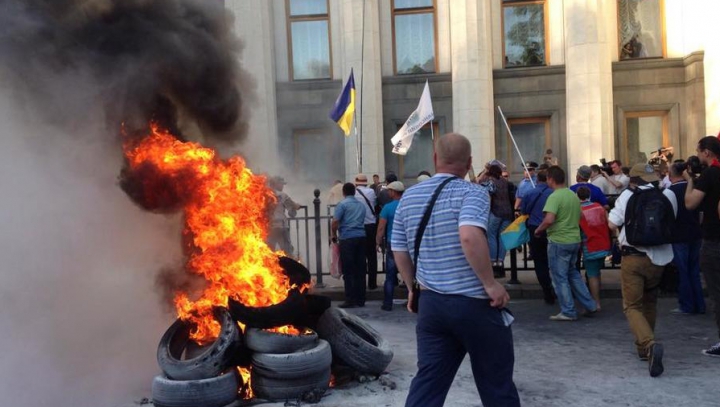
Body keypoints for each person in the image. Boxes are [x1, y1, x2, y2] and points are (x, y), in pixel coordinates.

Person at [392, 133, 519, 407]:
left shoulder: (409, 196)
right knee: (496, 386)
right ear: (470, 162)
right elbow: (469, 236)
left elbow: (398, 248)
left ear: (435, 159)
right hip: (474, 304)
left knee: (428, 383)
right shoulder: (473, 192)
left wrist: (411, 287)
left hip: (432, 305)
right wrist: (490, 284)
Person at [608, 163, 677, 376]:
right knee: (650, 301)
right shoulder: (668, 194)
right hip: (661, 258)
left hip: (634, 257)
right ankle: (644, 349)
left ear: (634, 180)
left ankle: (648, 344)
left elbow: (612, 222)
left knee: (631, 305)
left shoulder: (628, 196)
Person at [534, 166, 598, 321]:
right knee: (573, 274)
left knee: (559, 277)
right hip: (574, 239)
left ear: (550, 178)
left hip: (559, 240)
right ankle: (590, 305)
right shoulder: (572, 195)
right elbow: (581, 216)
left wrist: (538, 230)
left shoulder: (554, 197)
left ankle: (568, 311)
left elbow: (549, 219)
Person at [683, 135, 720, 357]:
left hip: (714, 241)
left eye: (698, 151)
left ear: (706, 152)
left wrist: (690, 181)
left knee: (717, 293)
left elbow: (690, 203)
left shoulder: (710, 174)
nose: (697, 155)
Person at [667, 161, 705, 315]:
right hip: (695, 233)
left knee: (683, 271)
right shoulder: (695, 189)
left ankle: (687, 305)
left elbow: (669, 216)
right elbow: (701, 213)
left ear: (671, 175)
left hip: (679, 235)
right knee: (694, 271)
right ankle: (699, 304)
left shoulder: (670, 192)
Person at [520, 169, 555, 304]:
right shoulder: (553, 193)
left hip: (535, 229)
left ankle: (547, 290)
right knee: (554, 260)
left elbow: (524, 210)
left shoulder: (530, 193)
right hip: (552, 229)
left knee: (539, 261)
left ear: (537, 179)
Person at [331, 183, 367, 308]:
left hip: (347, 238)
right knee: (361, 269)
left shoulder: (342, 205)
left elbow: (335, 222)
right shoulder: (361, 206)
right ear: (354, 192)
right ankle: (361, 299)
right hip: (361, 237)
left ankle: (350, 299)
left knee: (348, 269)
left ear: (343, 192)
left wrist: (333, 234)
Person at [577, 186, 611, 311]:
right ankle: (597, 298)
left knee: (592, 275)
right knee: (597, 272)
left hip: (589, 245)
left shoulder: (579, 210)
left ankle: (596, 302)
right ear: (589, 195)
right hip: (603, 243)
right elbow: (608, 223)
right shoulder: (599, 207)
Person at [478, 163, 513, 277]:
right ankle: (501, 262)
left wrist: (484, 172)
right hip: (507, 213)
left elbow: (480, 185)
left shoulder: (491, 182)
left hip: (495, 212)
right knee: (502, 238)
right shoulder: (505, 182)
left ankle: (493, 263)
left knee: (491, 236)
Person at [375, 181, 404, 311]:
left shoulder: (387, 208)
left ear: (393, 192)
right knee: (412, 274)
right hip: (408, 243)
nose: (387, 192)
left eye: (389, 190)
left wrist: (377, 242)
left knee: (390, 276)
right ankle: (414, 302)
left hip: (393, 243)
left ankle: (387, 304)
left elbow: (381, 228)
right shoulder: (407, 205)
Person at [354, 174, 379, 290]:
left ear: (356, 183)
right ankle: (372, 283)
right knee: (372, 256)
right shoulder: (371, 192)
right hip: (371, 226)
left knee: (360, 256)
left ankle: (361, 283)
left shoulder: (353, 193)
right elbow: (374, 204)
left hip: (358, 226)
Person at [266, 176, 301, 254]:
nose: (283, 186)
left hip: (269, 228)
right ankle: (289, 266)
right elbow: (293, 208)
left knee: (269, 252)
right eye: (281, 184)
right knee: (287, 252)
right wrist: (297, 206)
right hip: (281, 227)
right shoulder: (283, 195)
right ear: (276, 184)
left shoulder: (264, 195)